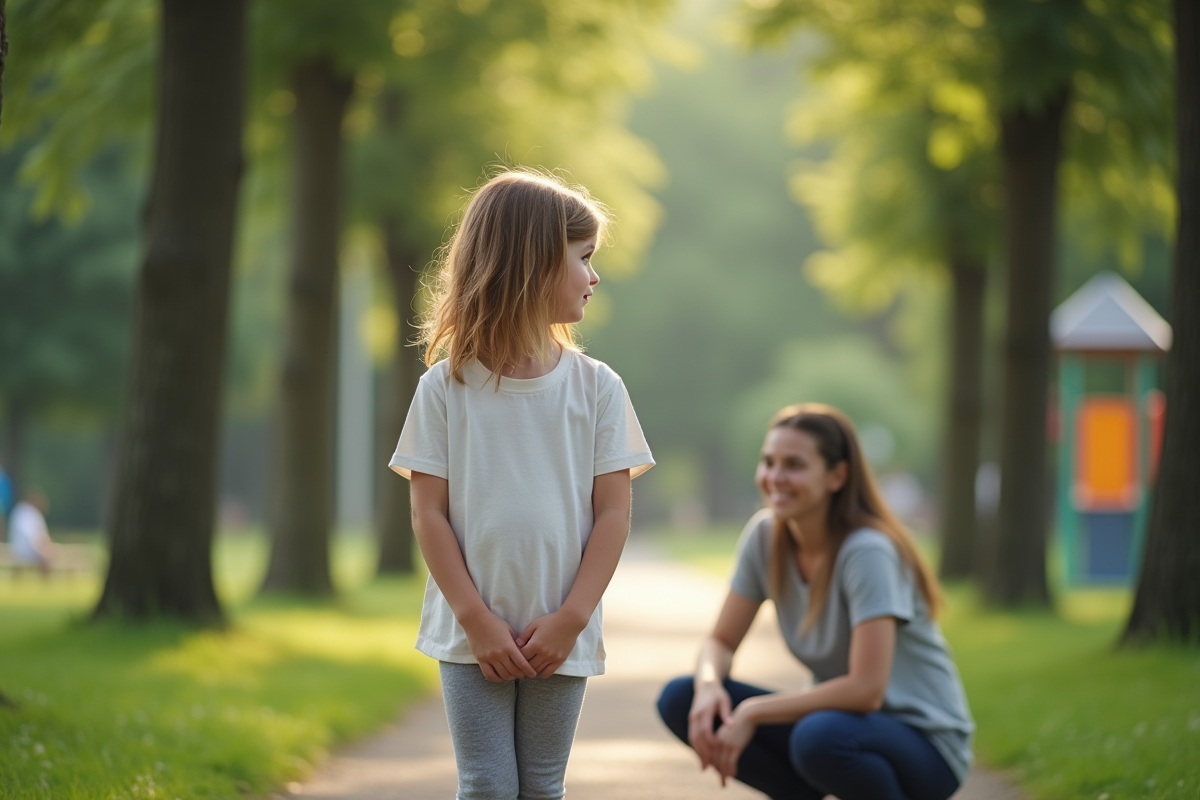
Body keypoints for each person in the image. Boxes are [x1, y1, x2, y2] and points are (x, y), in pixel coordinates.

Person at [388, 169, 654, 800]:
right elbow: (428, 513)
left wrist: (572, 617)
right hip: (470, 631)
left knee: (541, 786)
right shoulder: (444, 389)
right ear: (534, 263)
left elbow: (614, 513)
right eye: (583, 259)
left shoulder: (598, 388)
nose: (594, 276)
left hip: (559, 633)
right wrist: (476, 618)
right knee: (485, 784)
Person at [656, 404, 973, 800]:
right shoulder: (764, 538)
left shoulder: (867, 552)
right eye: (768, 462)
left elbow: (865, 690)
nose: (775, 478)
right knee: (681, 699)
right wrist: (708, 688)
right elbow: (720, 642)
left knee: (818, 737)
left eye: (794, 465)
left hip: (924, 745)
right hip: (842, 727)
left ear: (837, 475)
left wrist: (752, 712)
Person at [8, 487, 54, 576]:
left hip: (27, 548)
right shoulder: (24, 512)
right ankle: (45, 581)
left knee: (48, 554)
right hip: (24, 549)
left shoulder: (30, 513)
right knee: (46, 556)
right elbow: (30, 535)